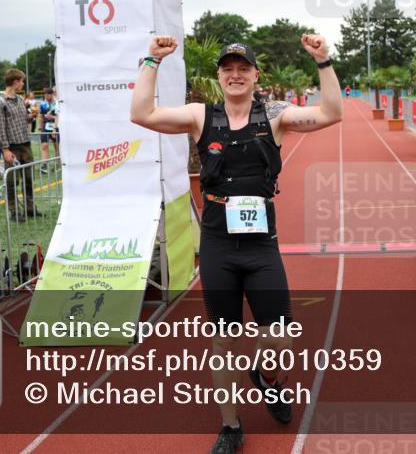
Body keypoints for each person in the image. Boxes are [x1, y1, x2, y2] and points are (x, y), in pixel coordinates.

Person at [131, 36, 343, 454]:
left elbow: (332, 113)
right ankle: (230, 426)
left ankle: (265, 377)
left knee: (279, 337)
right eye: (228, 68)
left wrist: (323, 60)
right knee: (224, 341)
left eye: (243, 68)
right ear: (219, 77)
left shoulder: (276, 116)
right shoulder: (199, 116)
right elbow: (141, 112)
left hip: (261, 245)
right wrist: (152, 60)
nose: (235, 74)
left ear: (255, 76)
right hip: (217, 246)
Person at [0, 69, 40, 221]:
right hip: (11, 147)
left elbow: (23, 119)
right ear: (14, 82)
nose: (23, 84)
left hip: (25, 145)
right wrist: (5, 149)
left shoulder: (20, 99)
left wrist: (31, 117)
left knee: (28, 179)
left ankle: (30, 208)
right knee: (12, 181)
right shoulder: (0, 103)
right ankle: (14, 212)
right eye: (21, 81)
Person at [38, 87, 59, 166]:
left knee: (56, 145)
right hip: (45, 126)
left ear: (52, 94)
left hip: (56, 125)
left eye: (48, 95)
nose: (46, 97)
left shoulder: (57, 103)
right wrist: (40, 128)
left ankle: (58, 164)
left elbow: (60, 116)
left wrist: (52, 117)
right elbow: (41, 116)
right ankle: (44, 165)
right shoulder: (43, 103)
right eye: (45, 95)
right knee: (44, 145)